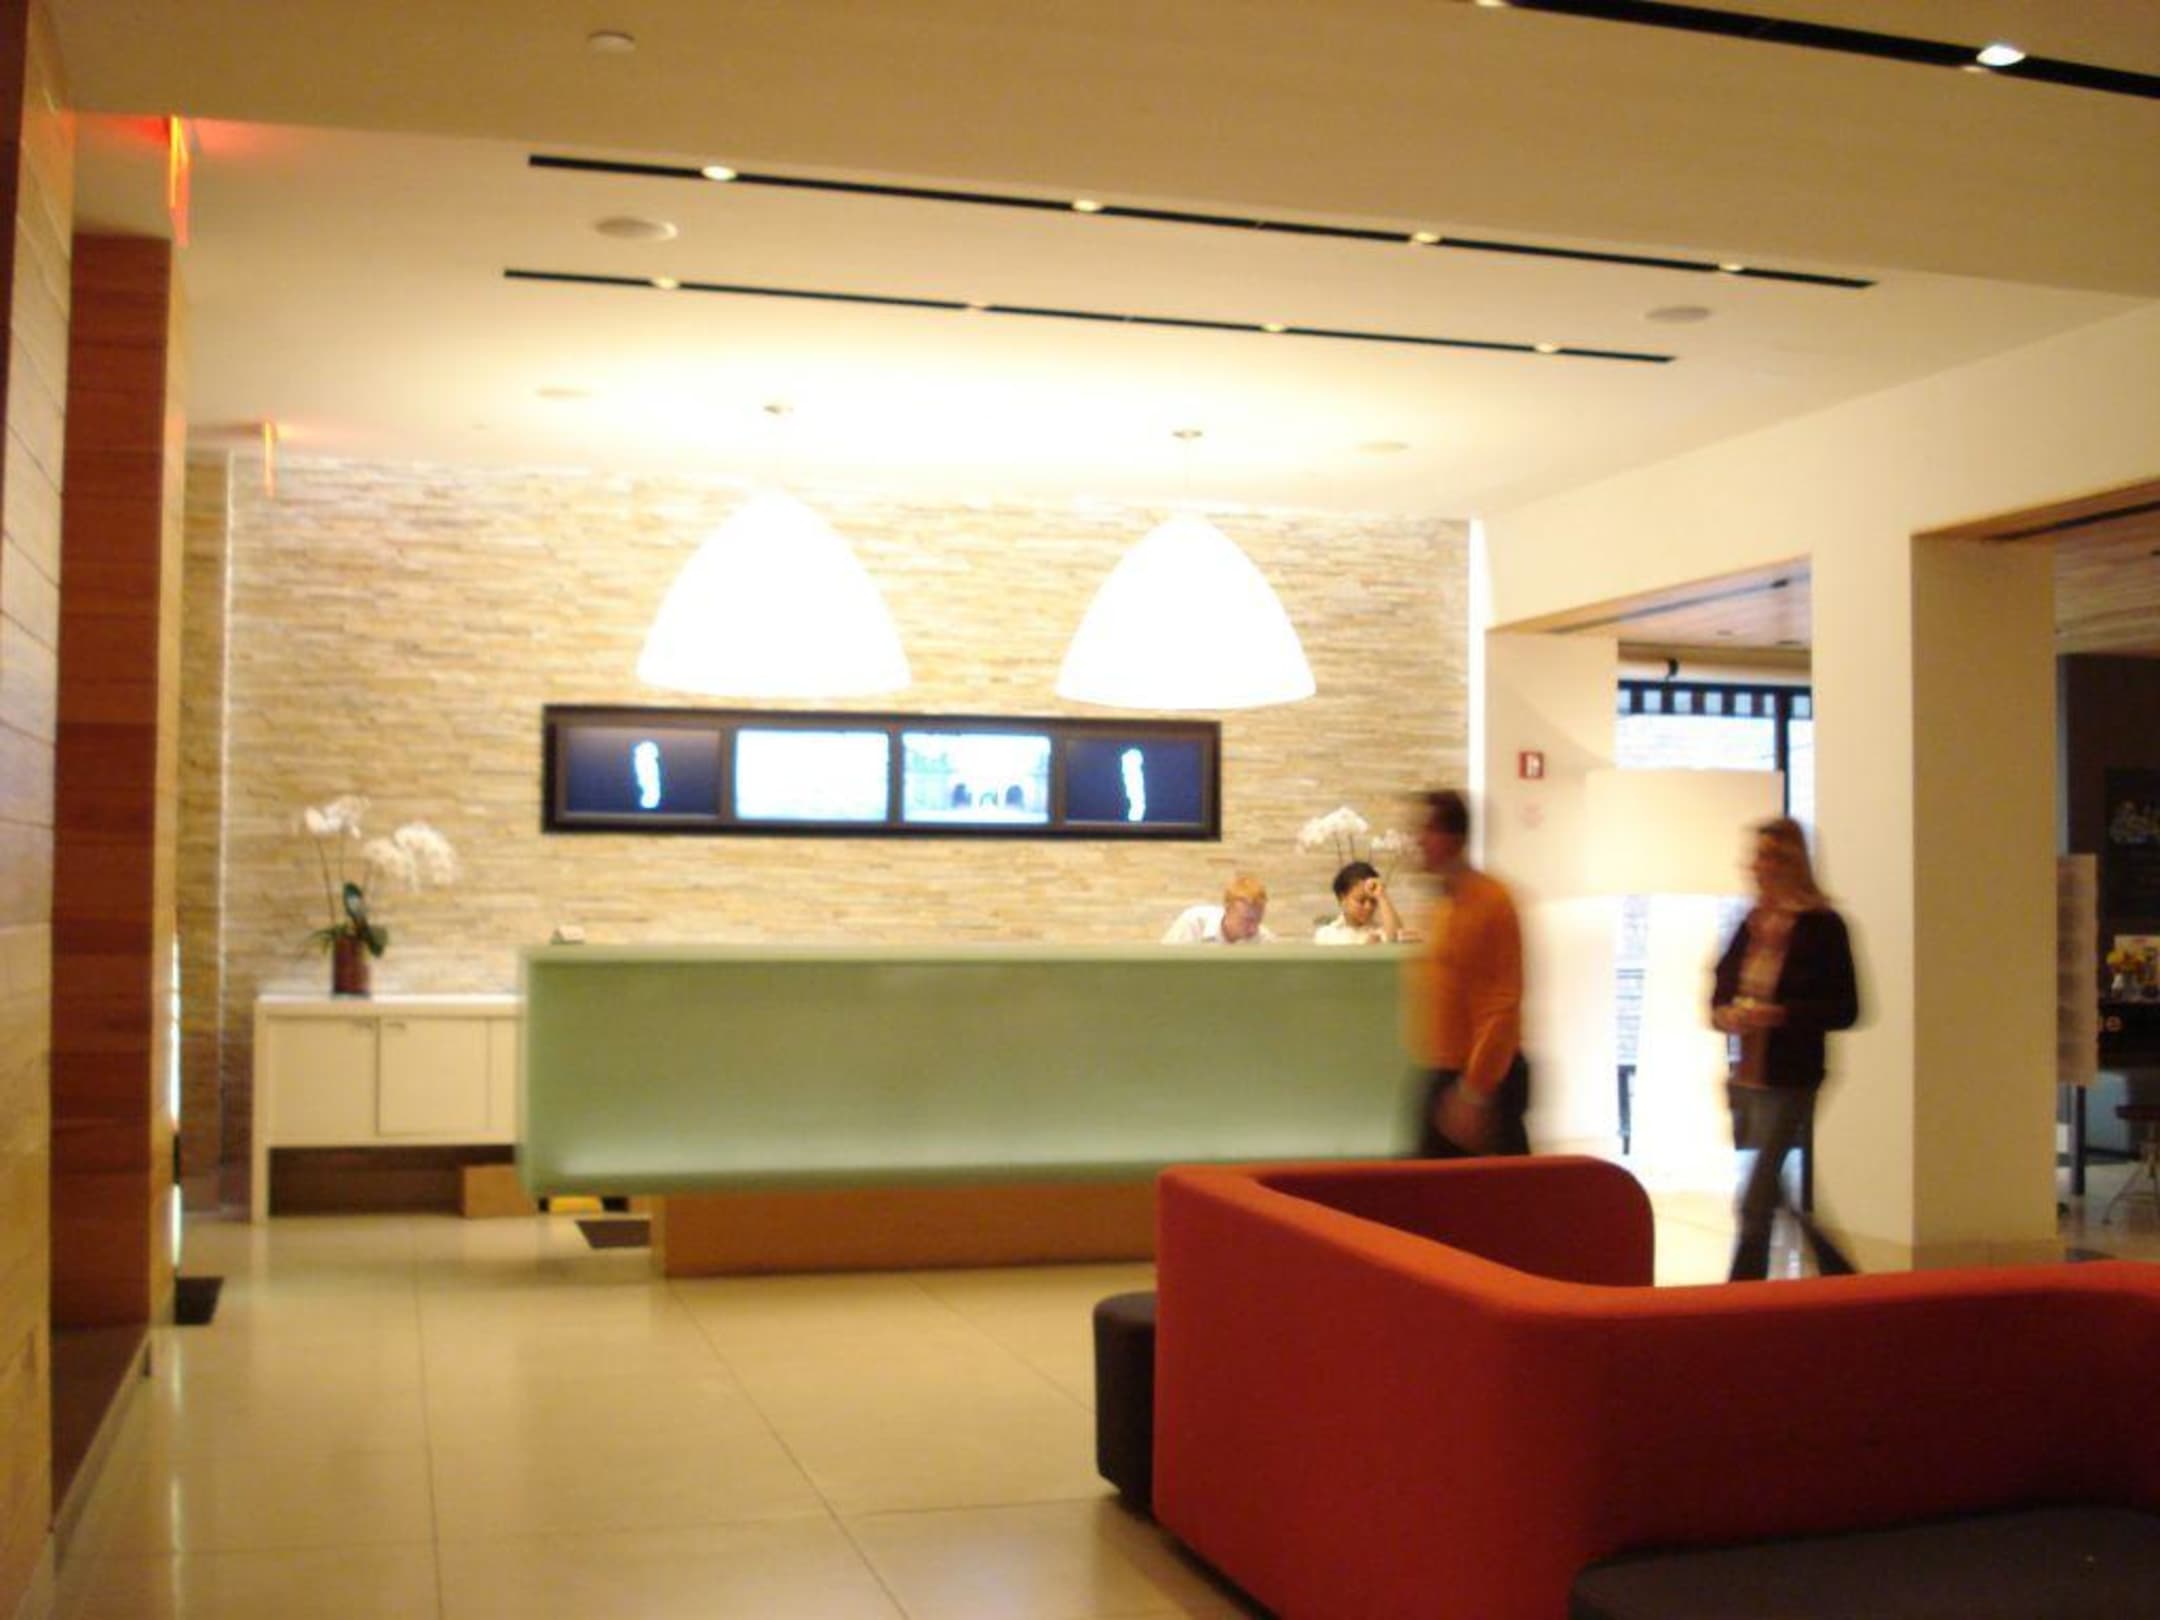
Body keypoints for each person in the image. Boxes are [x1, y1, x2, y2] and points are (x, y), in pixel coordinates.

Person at [1710, 815, 1861, 1282]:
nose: (1760, 866)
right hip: (1746, 1078)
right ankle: (1840, 1274)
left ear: (1795, 863)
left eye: (1772, 856)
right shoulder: (1751, 923)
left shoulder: (1823, 926)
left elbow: (1846, 1008)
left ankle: (1741, 1295)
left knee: (1755, 1199)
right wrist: (1725, 1014)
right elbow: (1721, 987)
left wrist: (1780, 1015)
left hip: (1792, 1076)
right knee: (1771, 1188)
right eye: (1758, 856)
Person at [1411, 790, 1529, 1156]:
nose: (1419, 840)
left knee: (1493, 1186)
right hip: (1445, 1070)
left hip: (1479, 1078)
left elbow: (1501, 1004)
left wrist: (1474, 1091)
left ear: (1454, 839)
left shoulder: (1491, 902)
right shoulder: (1445, 904)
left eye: (1427, 830)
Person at [1161, 874, 1274, 945]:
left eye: (1258, 921)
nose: (1253, 929)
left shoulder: (1264, 940)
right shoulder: (1193, 924)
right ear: (1227, 909)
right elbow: (1163, 967)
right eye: (1246, 921)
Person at [1313, 860, 1407, 945]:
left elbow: (1398, 939)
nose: (1368, 907)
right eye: (1361, 901)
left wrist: (1381, 895)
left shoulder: (1382, 931)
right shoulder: (1327, 935)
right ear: (1343, 899)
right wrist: (1364, 951)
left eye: (1373, 901)